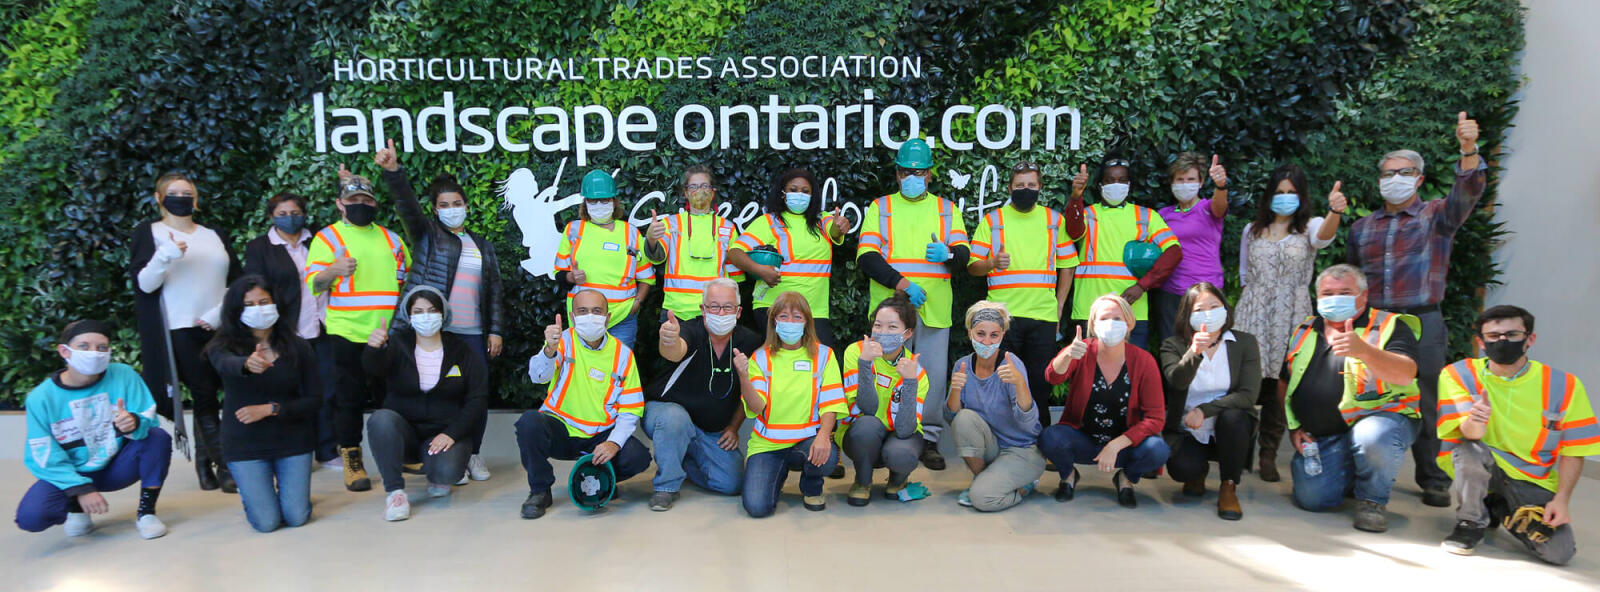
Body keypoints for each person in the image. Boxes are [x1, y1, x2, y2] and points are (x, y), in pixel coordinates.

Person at [1345, 112, 1487, 507]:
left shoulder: (1437, 216)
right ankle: (1359, 470)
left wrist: (1468, 151)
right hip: (1376, 322)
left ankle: (1431, 476)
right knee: (1366, 391)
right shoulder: (1362, 228)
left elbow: (1468, 192)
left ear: (1419, 178)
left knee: (1426, 396)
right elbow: (1353, 277)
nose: (1395, 179)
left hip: (1422, 318)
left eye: (1403, 172)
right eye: (1388, 173)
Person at [373, 140, 503, 484]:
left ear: (466, 206)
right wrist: (393, 173)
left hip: (472, 334)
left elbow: (494, 293)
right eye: (444, 205)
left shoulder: (483, 246)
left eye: (457, 203)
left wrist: (495, 330)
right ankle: (433, 453)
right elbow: (407, 208)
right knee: (428, 393)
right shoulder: (428, 236)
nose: (451, 209)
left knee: (477, 394)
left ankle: (470, 452)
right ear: (435, 210)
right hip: (429, 331)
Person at [1437, 305, 1599, 564]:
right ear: (1480, 342)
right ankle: (1470, 522)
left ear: (1530, 339)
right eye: (1493, 335)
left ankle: (1497, 506)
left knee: (1560, 553)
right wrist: (1477, 419)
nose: (1502, 341)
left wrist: (1562, 500)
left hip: (1532, 478)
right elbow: (1468, 434)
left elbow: (1574, 450)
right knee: (1469, 450)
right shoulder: (1458, 374)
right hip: (1481, 461)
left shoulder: (1565, 385)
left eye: (1512, 334)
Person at [1282, 264, 1421, 532]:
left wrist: (1365, 351)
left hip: (1380, 422)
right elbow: (1285, 381)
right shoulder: (1304, 329)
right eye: (1327, 294)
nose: (1334, 299)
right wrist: (1294, 426)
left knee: (1371, 437)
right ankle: (1353, 470)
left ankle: (1372, 501)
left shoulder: (1389, 325)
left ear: (1364, 296)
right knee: (1312, 499)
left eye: (1344, 292)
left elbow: (1406, 374)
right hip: (1325, 433)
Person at [857, 138, 968, 471]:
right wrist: (902, 284)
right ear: (897, 173)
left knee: (932, 377)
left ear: (930, 174)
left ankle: (929, 440)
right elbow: (867, 257)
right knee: (883, 373)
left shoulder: (947, 209)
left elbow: (963, 255)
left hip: (933, 309)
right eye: (907, 171)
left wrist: (948, 254)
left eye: (919, 171)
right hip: (891, 310)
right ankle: (880, 432)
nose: (912, 176)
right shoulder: (882, 207)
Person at [130, 171, 240, 492]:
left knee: (226, 393)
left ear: (196, 198)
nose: (182, 198)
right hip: (180, 328)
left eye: (187, 192)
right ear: (159, 198)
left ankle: (205, 466)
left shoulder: (212, 234)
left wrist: (219, 313)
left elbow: (237, 279)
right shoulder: (149, 233)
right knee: (204, 395)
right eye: (174, 192)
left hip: (220, 326)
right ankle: (226, 467)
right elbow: (144, 284)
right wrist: (165, 255)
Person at [1233, 164, 1343, 482]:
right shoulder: (1252, 230)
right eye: (1279, 192)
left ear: (1301, 196)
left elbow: (1325, 237)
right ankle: (1240, 450)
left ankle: (1268, 455)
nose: (1284, 198)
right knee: (1248, 382)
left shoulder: (1310, 227)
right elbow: (1244, 273)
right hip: (1253, 311)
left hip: (1292, 313)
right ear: (1269, 195)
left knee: (1280, 386)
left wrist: (1335, 211)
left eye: (1291, 193)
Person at [305, 167, 411, 492]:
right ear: (341, 203)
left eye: (366, 199)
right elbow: (314, 284)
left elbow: (407, 283)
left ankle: (400, 453)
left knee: (393, 397)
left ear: (375, 204)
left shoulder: (392, 239)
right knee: (348, 401)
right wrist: (333, 270)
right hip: (346, 332)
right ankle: (352, 459)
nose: (360, 204)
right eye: (354, 199)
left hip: (387, 335)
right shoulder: (328, 238)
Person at [15, 321, 171, 539]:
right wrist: (80, 489)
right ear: (64, 351)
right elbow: (42, 453)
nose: (94, 353)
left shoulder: (123, 375)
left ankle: (146, 513)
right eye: (84, 346)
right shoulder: (41, 398)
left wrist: (135, 422)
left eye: (101, 348)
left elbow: (148, 418)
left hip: (117, 466)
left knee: (157, 437)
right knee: (31, 517)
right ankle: (75, 508)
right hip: (74, 471)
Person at [518, 289, 650, 520]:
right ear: (573, 316)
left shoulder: (623, 354)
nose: (590, 316)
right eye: (583, 311)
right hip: (562, 428)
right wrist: (548, 350)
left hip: (600, 435)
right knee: (529, 423)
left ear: (608, 318)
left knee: (638, 457)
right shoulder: (562, 342)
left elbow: (630, 410)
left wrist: (613, 443)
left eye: (597, 311)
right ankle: (539, 491)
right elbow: (537, 376)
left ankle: (601, 476)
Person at [205, 276, 322, 533]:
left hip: (292, 441)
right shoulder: (221, 347)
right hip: (246, 445)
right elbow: (226, 364)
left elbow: (314, 399)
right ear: (236, 310)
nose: (258, 309)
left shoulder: (299, 347)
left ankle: (291, 496)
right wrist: (246, 365)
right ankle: (258, 496)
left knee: (296, 516)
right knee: (266, 522)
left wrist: (272, 409)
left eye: (264, 301)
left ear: (275, 304)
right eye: (249, 304)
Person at [362, 286, 488, 521]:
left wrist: (452, 433)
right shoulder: (398, 344)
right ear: (409, 316)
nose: (426, 316)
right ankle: (395, 492)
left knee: (447, 473)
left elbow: (477, 398)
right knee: (381, 420)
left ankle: (437, 474)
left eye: (431, 310)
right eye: (418, 311)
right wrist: (373, 348)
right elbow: (373, 370)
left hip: (444, 434)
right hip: (406, 432)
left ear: (443, 314)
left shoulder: (462, 350)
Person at [968, 161, 1078, 427]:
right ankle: (1005, 438)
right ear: (1010, 188)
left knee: (1040, 383)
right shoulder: (993, 221)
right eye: (1020, 186)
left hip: (1043, 315)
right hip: (1002, 319)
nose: (1025, 190)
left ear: (1040, 187)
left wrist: (1060, 305)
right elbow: (973, 267)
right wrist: (992, 263)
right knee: (1002, 381)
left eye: (1031, 185)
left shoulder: (1054, 220)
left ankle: (1042, 439)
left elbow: (1068, 265)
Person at [1039, 294, 1169, 508]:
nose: (1111, 324)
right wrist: (1068, 355)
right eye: (1104, 318)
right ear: (1093, 324)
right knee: (1049, 438)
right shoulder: (1081, 350)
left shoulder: (1144, 361)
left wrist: (1116, 445)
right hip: (1083, 439)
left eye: (1118, 319)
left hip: (1125, 445)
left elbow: (1156, 418)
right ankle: (1068, 476)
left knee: (1158, 449)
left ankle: (1126, 479)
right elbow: (1052, 377)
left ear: (1129, 324)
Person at [644, 278, 760, 511]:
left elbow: (750, 392)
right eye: (714, 306)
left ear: (738, 312)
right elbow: (674, 351)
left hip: (709, 431)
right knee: (674, 420)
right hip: (666, 414)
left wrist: (734, 427)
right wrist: (669, 339)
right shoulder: (691, 330)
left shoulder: (749, 341)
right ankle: (666, 487)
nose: (720, 312)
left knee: (732, 482)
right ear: (703, 310)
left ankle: (681, 460)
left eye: (727, 307)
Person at [243, 192, 337, 469]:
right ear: (271, 217)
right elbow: (255, 286)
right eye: (281, 214)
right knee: (289, 392)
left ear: (304, 213)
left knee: (326, 390)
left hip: (321, 326)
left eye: (294, 212)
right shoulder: (260, 247)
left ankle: (328, 450)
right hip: (285, 331)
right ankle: (296, 451)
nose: (289, 218)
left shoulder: (320, 241)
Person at [1158, 283, 1260, 521]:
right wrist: (1194, 352)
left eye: (1214, 306)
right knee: (1183, 469)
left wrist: (1205, 410)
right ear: (1187, 315)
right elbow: (1177, 382)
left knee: (1233, 417)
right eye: (1199, 309)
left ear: (1225, 309)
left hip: (1230, 424)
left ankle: (1228, 486)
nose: (1208, 313)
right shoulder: (1172, 345)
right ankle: (1198, 471)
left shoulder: (1245, 343)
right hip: (1189, 427)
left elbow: (1248, 395)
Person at [738, 291, 846, 517]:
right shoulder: (760, 357)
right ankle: (775, 472)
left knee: (828, 459)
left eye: (797, 317)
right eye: (784, 316)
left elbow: (831, 401)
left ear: (807, 322)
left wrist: (824, 436)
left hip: (805, 442)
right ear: (774, 321)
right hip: (768, 444)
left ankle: (811, 486)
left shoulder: (824, 355)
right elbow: (756, 407)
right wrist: (743, 376)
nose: (790, 322)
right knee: (757, 508)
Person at [1063, 158, 1183, 350]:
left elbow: (1174, 252)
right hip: (1090, 311)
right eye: (1110, 180)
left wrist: (1142, 286)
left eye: (1122, 180)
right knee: (1089, 374)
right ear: (1100, 184)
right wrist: (1076, 197)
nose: (1116, 185)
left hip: (1131, 312)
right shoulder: (1087, 213)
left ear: (1129, 184)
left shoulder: (1146, 216)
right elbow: (1073, 231)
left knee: (1131, 375)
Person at [947, 301, 1044, 512]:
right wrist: (955, 389)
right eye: (980, 334)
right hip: (992, 448)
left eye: (994, 335)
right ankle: (983, 479)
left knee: (983, 499)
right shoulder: (962, 364)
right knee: (963, 418)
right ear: (970, 332)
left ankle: (1024, 487)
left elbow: (1028, 424)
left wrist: (1019, 383)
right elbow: (952, 418)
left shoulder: (1011, 365)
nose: (987, 341)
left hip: (1022, 450)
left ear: (1002, 335)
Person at [729, 168, 846, 343]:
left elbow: (835, 231)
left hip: (815, 310)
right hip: (774, 308)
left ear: (813, 196)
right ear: (783, 193)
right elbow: (734, 253)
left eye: (805, 191)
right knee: (778, 364)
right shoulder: (768, 222)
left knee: (819, 364)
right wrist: (760, 270)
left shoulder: (824, 220)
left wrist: (840, 225)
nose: (799, 194)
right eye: (793, 190)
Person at [839, 296, 926, 506]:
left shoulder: (917, 371)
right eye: (878, 325)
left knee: (902, 453)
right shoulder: (857, 352)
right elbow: (867, 408)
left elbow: (905, 430)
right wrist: (865, 364)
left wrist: (910, 382)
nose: (883, 333)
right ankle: (862, 481)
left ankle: (898, 480)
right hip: (862, 434)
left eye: (892, 327)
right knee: (867, 425)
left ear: (908, 333)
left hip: (899, 435)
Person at [554, 170, 655, 350]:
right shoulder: (573, 230)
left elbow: (646, 277)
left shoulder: (630, 232)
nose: (599, 204)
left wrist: (637, 303)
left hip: (622, 318)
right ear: (585, 203)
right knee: (583, 370)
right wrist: (571, 277)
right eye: (592, 200)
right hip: (583, 318)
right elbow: (559, 274)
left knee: (618, 371)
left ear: (614, 202)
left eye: (605, 200)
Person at [646, 165, 745, 321]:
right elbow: (657, 257)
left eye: (705, 186)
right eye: (693, 186)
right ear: (685, 193)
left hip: (714, 311)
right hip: (677, 310)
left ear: (713, 191)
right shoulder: (671, 223)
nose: (700, 190)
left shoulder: (727, 227)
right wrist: (651, 238)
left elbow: (735, 279)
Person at [1152, 152, 1230, 343]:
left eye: (1191, 179)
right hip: (1172, 293)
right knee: (1174, 350)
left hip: (1207, 292)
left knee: (1210, 349)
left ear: (1201, 182)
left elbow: (1221, 207)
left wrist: (1221, 185)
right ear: (1172, 183)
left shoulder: (1208, 208)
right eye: (1180, 179)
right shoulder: (1163, 215)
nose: (1185, 183)